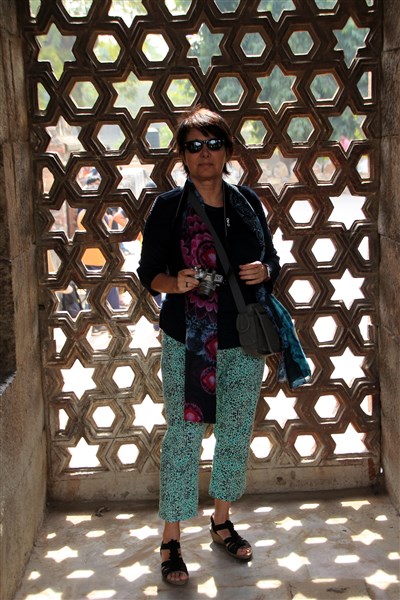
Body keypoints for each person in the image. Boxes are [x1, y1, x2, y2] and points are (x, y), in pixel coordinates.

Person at [138, 107, 281, 586]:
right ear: (182, 155)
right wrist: (174, 283)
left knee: (235, 433)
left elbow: (272, 258)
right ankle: (171, 539)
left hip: (241, 341)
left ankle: (221, 522)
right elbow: (148, 274)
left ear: (228, 151)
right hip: (188, 342)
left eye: (214, 144)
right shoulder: (168, 208)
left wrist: (265, 270)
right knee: (184, 436)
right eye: (195, 146)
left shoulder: (247, 203)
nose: (205, 154)